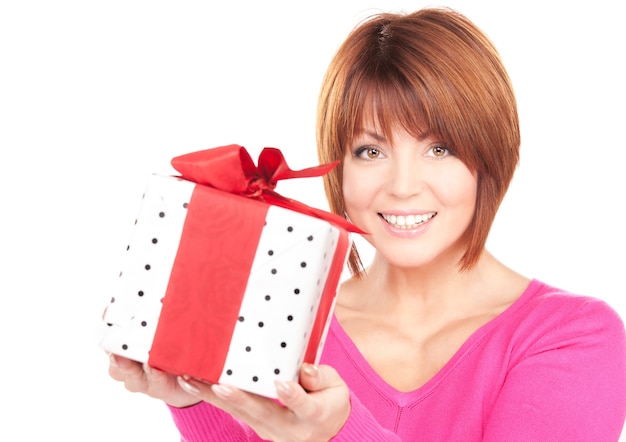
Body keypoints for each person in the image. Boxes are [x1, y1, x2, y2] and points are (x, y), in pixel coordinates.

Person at [108, 7, 626, 440]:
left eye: (439, 148)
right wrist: (197, 399)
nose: (402, 185)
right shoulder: (286, 331)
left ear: (491, 156)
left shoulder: (571, 338)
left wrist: (339, 431)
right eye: (371, 149)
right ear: (339, 165)